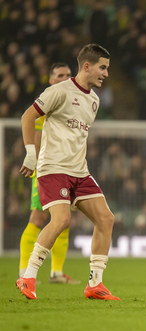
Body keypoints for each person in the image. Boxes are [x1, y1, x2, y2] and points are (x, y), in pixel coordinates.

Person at [16, 44, 119, 300]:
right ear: (87, 66)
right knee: (61, 220)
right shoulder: (59, 91)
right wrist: (31, 153)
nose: (106, 73)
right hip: (53, 169)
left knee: (106, 219)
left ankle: (95, 283)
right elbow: (28, 116)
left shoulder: (94, 101)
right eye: (102, 67)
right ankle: (27, 276)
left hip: (79, 171)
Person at [18, 62, 80, 284]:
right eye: (60, 75)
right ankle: (24, 271)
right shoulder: (47, 104)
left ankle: (56, 272)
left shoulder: (72, 104)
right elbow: (37, 136)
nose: (65, 78)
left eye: (68, 75)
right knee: (38, 218)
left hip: (67, 169)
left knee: (64, 219)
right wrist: (33, 160)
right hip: (47, 170)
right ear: (51, 80)